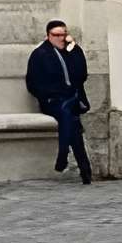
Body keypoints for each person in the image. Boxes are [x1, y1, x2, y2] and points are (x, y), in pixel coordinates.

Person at [24, 18, 93, 183]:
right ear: (48, 36)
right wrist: (47, 95)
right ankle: (72, 161)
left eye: (64, 34)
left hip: (71, 100)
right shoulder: (40, 54)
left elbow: (82, 74)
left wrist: (74, 48)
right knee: (69, 116)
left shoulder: (71, 51)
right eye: (57, 35)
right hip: (52, 101)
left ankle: (70, 161)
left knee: (70, 119)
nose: (61, 38)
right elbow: (32, 83)